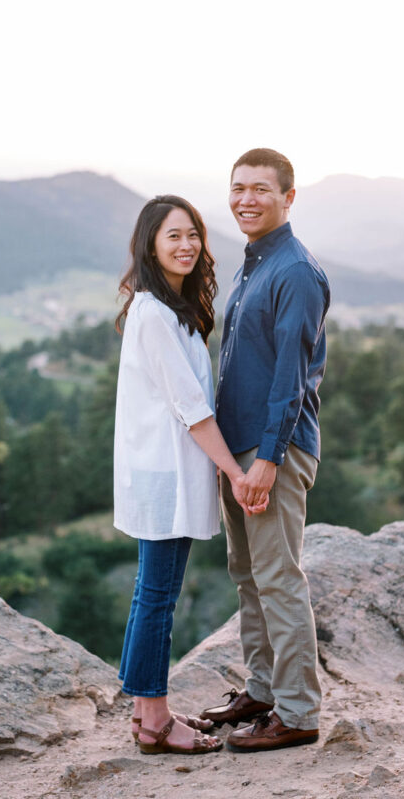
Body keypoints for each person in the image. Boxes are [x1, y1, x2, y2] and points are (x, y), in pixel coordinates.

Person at [113, 194, 268, 757]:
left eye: (193, 235)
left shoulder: (172, 310)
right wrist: (236, 473)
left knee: (151, 593)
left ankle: (146, 710)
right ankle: (153, 721)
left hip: (169, 470)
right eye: (173, 235)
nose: (186, 245)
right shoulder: (153, 312)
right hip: (163, 475)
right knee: (156, 596)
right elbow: (192, 409)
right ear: (151, 244)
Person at [199, 148, 330, 751]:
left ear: (289, 197)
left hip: (269, 452)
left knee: (278, 579)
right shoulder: (253, 264)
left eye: (260, 189)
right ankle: (262, 689)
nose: (246, 199)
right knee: (247, 575)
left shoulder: (296, 272)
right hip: (239, 449)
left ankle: (299, 715)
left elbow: (291, 378)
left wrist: (266, 462)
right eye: (238, 188)